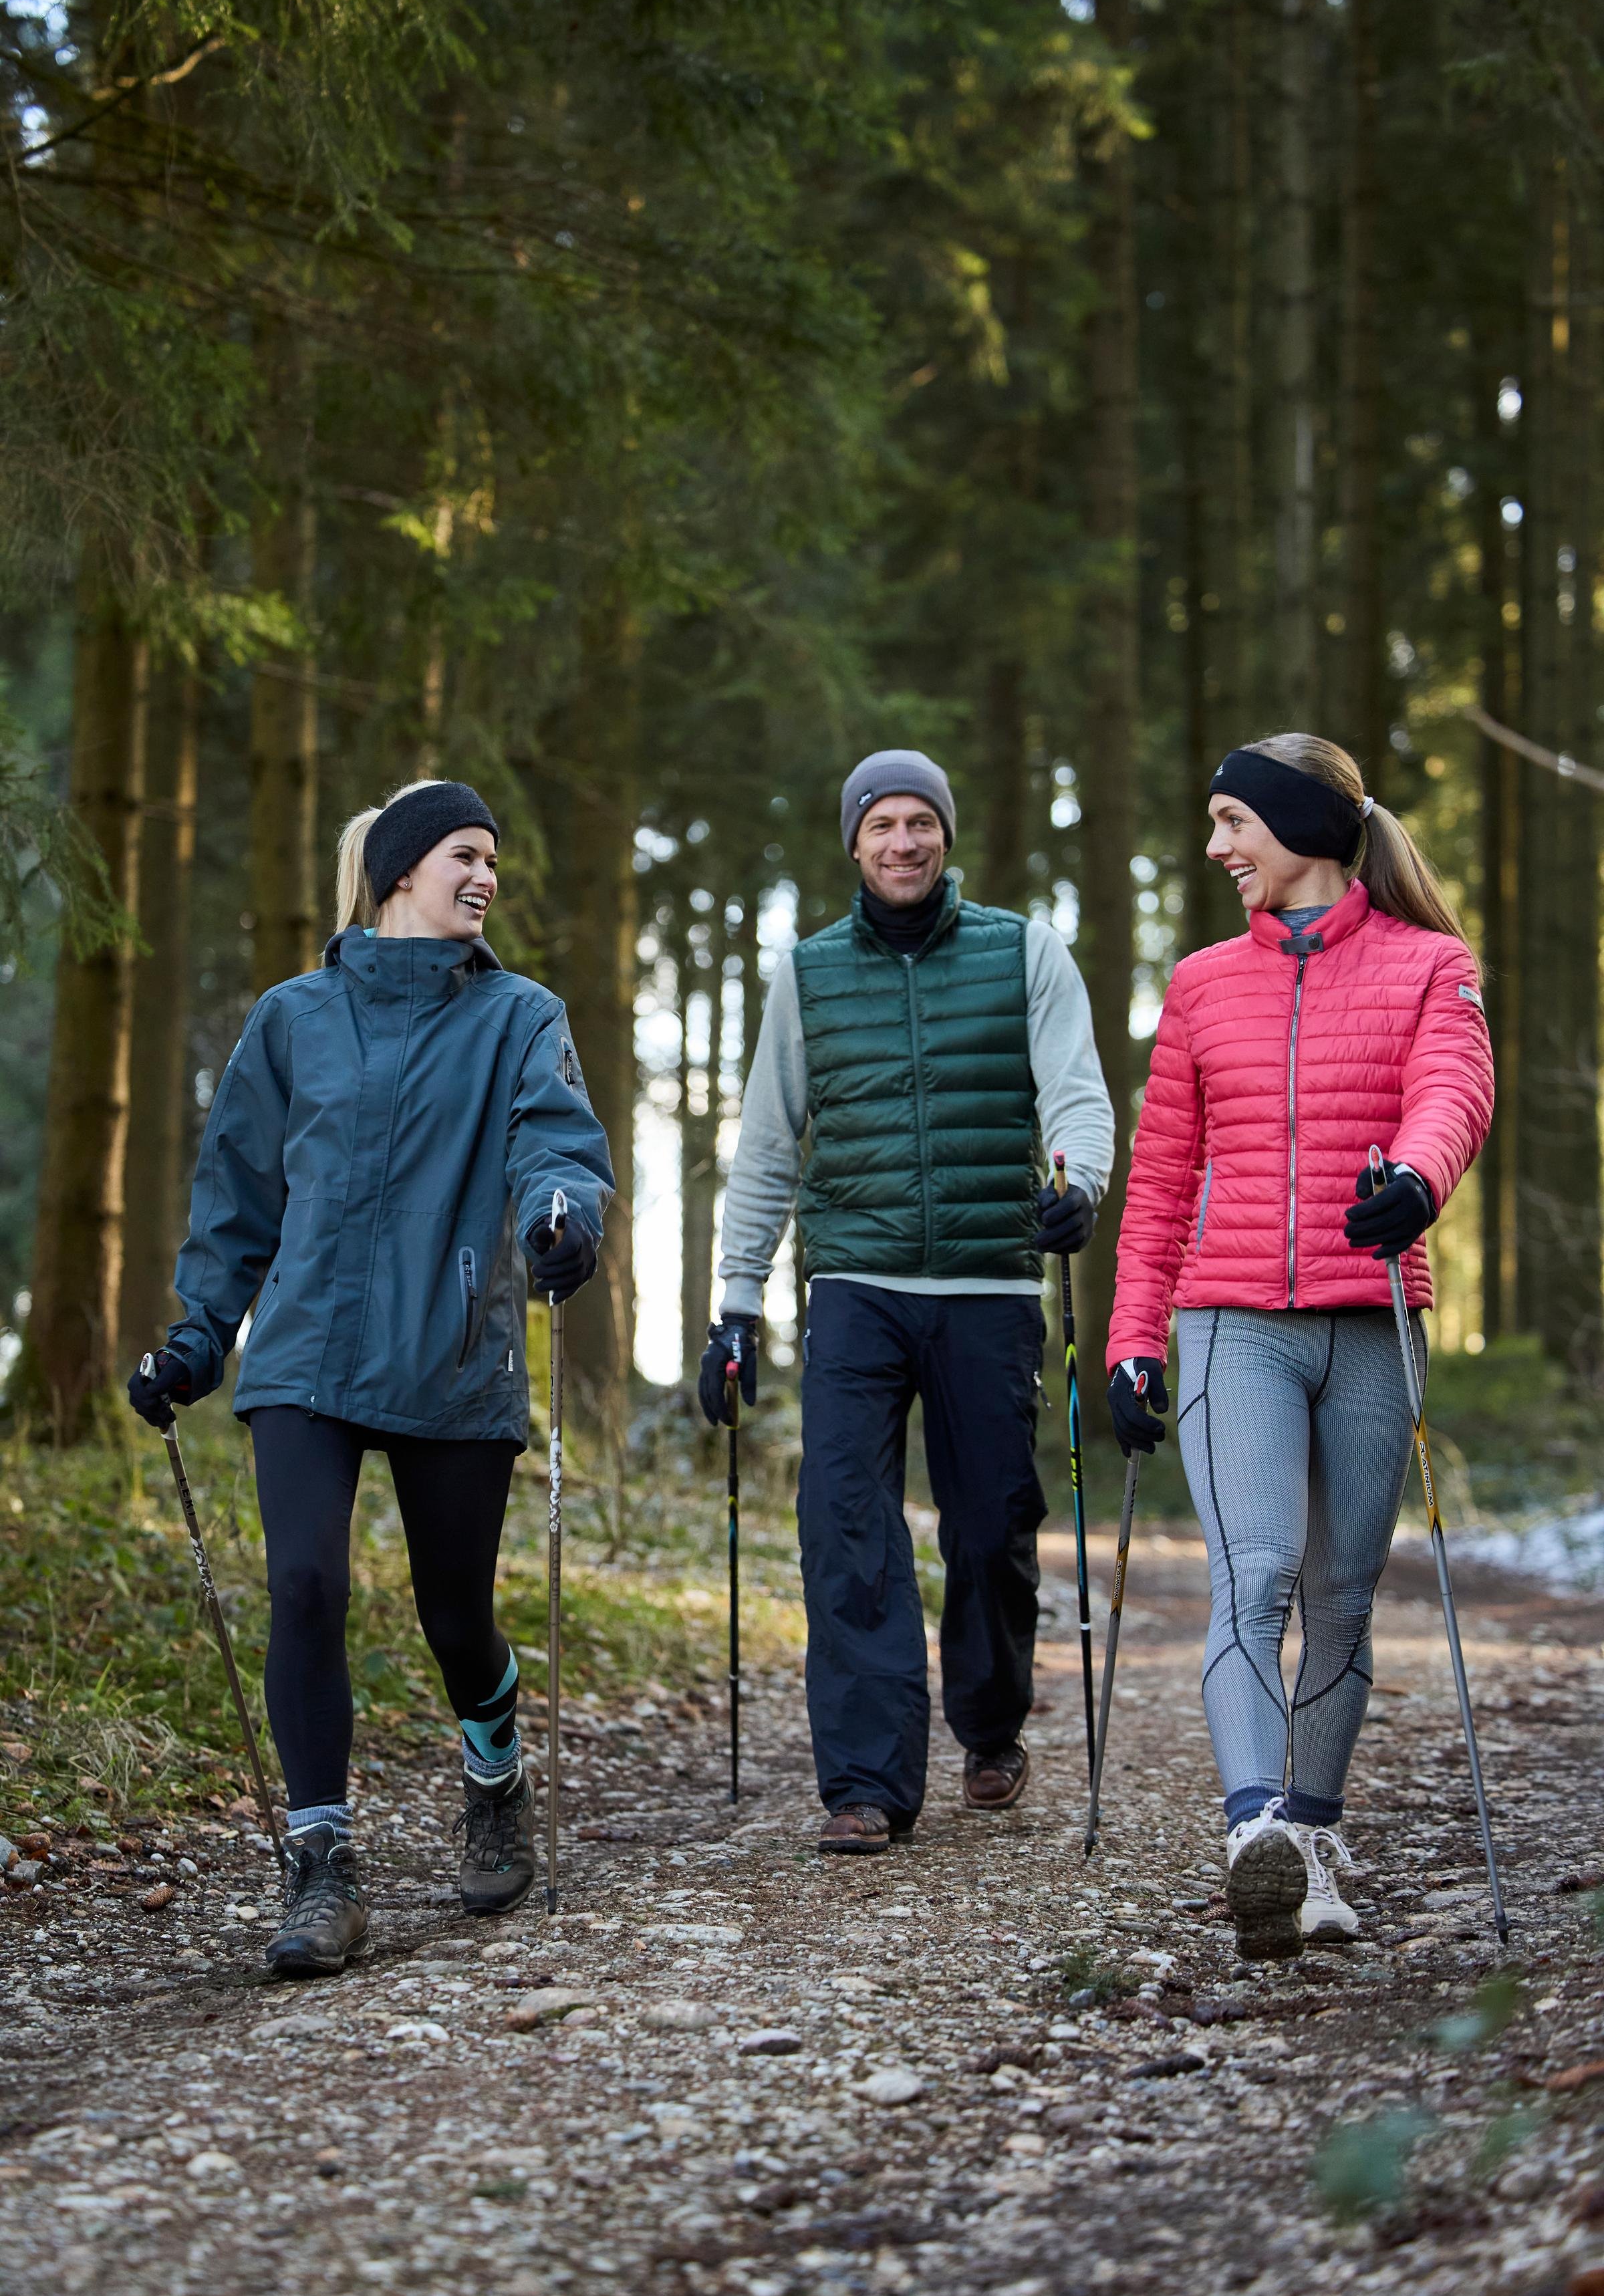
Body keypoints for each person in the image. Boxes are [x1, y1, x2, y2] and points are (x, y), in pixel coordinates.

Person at [127, 779, 614, 1977]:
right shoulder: (292, 1018)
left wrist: (561, 1217)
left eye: (493, 859)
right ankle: (321, 1867)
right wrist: (199, 1336)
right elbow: (240, 1194)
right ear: (400, 870)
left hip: (453, 1343)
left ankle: (494, 1775)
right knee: (304, 1587)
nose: (486, 876)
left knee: (455, 1616)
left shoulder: (521, 1016)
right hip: (305, 1347)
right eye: (465, 855)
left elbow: (557, 1143)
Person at [1106, 734, 1493, 1960]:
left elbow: (1454, 1092)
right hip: (1232, 1326)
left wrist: (1417, 1182)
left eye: (1234, 821)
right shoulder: (1203, 984)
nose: (1217, 846)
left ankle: (1315, 1842)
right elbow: (1162, 1179)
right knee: (1257, 1571)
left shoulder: (1434, 964)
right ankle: (1255, 1833)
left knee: (1340, 1598)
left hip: (1372, 1318)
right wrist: (1133, 1337)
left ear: (1301, 825)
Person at [700, 749, 1115, 1854]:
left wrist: (1077, 1183)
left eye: (920, 821)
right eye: (881, 824)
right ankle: (867, 1784)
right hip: (855, 1288)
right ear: (854, 842)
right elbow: (769, 1145)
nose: (902, 842)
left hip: (988, 1283)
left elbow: (1077, 1093)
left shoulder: (1024, 951)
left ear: (947, 835)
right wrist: (735, 1303)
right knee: (846, 1525)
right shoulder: (808, 973)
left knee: (992, 1526)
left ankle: (990, 1722)